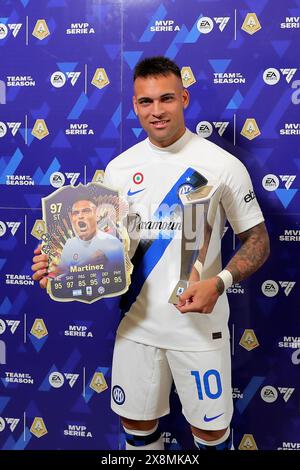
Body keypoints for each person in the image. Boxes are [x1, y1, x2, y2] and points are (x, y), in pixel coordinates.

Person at [32, 56, 270, 451]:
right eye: (146, 102)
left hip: (198, 327)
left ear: (184, 98)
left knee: (211, 436)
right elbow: (102, 249)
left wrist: (221, 282)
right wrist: (61, 264)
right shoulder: (119, 169)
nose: (157, 111)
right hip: (136, 326)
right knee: (137, 429)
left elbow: (258, 241)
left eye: (167, 99)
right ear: (135, 105)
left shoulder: (222, 165)